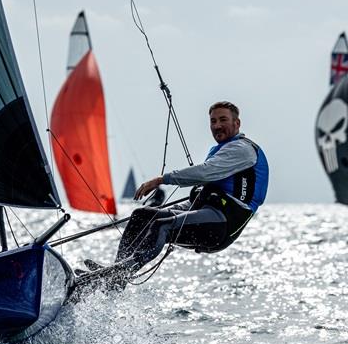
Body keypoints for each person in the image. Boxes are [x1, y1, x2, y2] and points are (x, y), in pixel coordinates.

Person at [85, 101, 269, 280]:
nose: (217, 126)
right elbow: (204, 190)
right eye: (213, 121)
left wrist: (161, 180)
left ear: (237, 123)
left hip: (224, 223)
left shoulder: (243, 149)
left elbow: (205, 172)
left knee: (161, 225)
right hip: (207, 211)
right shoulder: (220, 149)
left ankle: (119, 274)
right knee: (142, 215)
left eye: (223, 120)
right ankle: (115, 274)